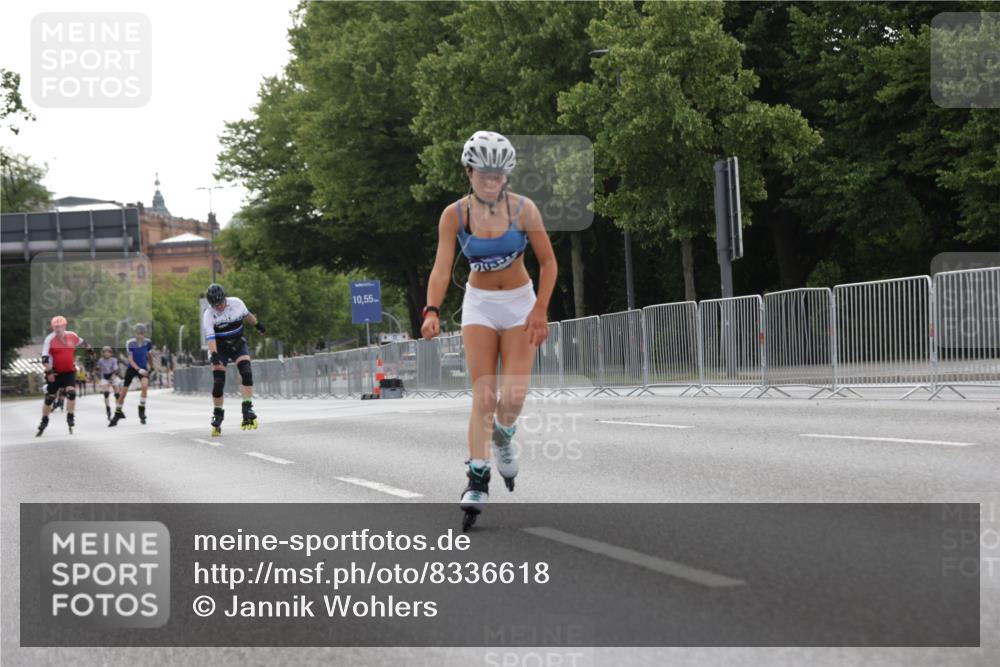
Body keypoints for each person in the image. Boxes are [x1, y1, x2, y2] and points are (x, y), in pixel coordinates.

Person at [420, 131, 557, 530]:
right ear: (469, 172)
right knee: (484, 393)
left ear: (507, 176)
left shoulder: (524, 210)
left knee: (512, 396)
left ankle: (504, 435)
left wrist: (540, 309)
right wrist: (431, 309)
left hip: (519, 303)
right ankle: (477, 477)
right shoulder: (454, 215)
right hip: (480, 304)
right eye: (483, 173)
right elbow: (442, 268)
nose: (490, 181)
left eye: (497, 175)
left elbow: (548, 264)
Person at [201, 283, 265, 435]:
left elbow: (248, 316)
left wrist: (258, 325)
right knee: (218, 381)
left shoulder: (237, 303)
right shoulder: (209, 314)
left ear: (225, 298)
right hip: (220, 348)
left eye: (221, 303)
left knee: (246, 372)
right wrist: (215, 355)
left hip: (237, 344)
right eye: (215, 305)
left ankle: (247, 407)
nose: (220, 307)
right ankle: (217, 413)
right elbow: (210, 338)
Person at [37, 316, 95, 436]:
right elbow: (44, 359)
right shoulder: (50, 339)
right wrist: (49, 372)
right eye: (55, 327)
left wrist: (91, 352)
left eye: (59, 327)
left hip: (69, 371)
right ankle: (44, 420)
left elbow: (83, 343)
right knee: (50, 398)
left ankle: (70, 416)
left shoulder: (72, 336)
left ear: (64, 326)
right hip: (55, 372)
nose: (57, 329)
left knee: (71, 393)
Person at [109, 324, 155, 426]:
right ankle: (117, 413)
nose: (140, 336)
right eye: (138, 333)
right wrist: (138, 369)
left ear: (144, 334)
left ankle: (141, 409)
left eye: (142, 334)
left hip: (143, 367)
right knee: (123, 393)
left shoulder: (148, 342)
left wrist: (151, 367)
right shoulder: (130, 343)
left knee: (144, 387)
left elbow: (150, 355)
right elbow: (130, 359)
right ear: (135, 333)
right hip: (132, 368)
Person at [96, 345, 123, 420]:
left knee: (117, 394)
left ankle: (118, 410)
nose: (106, 353)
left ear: (111, 353)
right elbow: (98, 370)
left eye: (108, 352)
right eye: (105, 352)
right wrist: (97, 369)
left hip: (113, 376)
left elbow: (115, 371)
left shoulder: (114, 360)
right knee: (106, 393)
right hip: (105, 377)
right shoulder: (101, 360)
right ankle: (108, 409)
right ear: (103, 353)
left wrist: (111, 381)